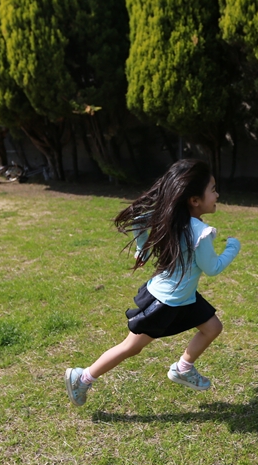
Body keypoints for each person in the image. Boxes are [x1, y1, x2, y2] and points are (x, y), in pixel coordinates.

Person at [65, 159, 241, 407]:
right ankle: (82, 378)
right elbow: (212, 268)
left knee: (212, 327)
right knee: (131, 347)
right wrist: (233, 247)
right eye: (212, 189)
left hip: (184, 297)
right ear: (194, 200)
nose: (217, 195)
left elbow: (139, 220)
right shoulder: (198, 232)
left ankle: (183, 368)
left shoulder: (174, 217)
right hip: (165, 302)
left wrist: (142, 249)